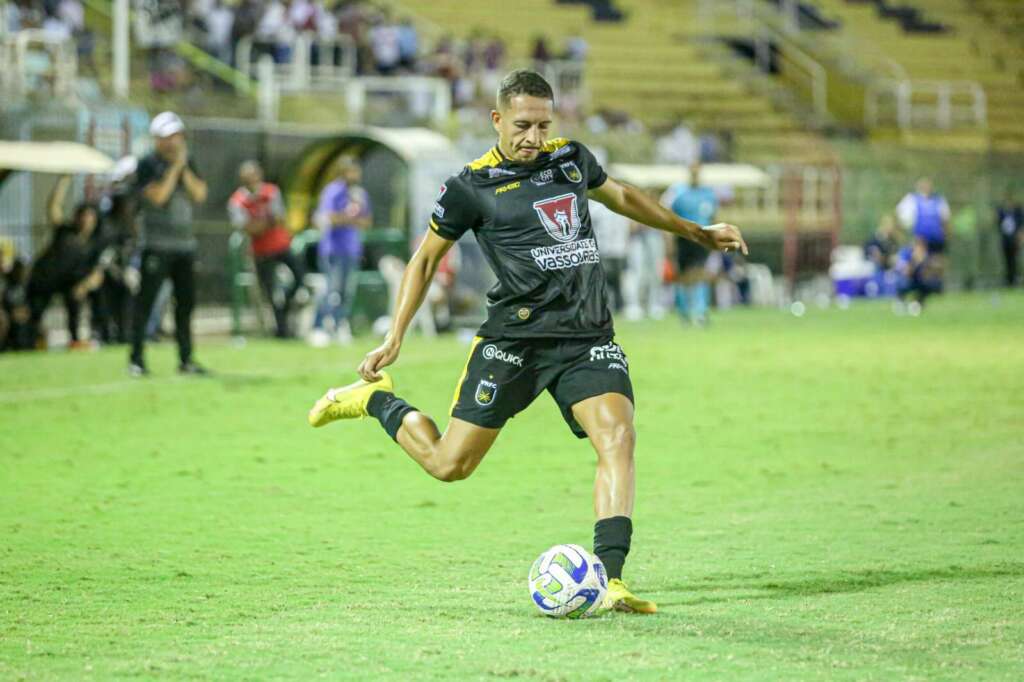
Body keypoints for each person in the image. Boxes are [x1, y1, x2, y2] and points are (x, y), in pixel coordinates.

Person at [306, 69, 747, 614]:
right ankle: (376, 401)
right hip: (513, 341)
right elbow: (424, 260)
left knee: (618, 437)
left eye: (543, 124)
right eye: (522, 125)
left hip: (585, 337)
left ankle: (608, 579)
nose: (534, 137)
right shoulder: (469, 187)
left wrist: (696, 232)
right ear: (496, 120)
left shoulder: (570, 159)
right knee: (449, 465)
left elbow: (626, 197)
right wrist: (394, 336)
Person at [129, 111, 208, 376]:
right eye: (168, 137)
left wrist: (183, 167)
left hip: (184, 246)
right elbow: (159, 197)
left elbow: (199, 194)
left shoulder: (189, 162)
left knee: (185, 304)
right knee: (146, 303)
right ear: (157, 139)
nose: (174, 142)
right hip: (157, 245)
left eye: (176, 136)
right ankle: (136, 359)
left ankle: (186, 359)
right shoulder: (147, 164)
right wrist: (175, 168)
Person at [228, 160, 305, 338]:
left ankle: (286, 307)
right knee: (270, 293)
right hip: (261, 251)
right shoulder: (238, 200)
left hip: (281, 245)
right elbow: (246, 227)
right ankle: (282, 331)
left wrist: (260, 224)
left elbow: (278, 218)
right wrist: (264, 223)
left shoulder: (271, 191)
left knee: (299, 277)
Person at [26, 176, 104, 349]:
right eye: (83, 216)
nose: (86, 221)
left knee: (75, 297)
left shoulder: (93, 244)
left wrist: (84, 286)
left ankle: (75, 340)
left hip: (67, 282)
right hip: (44, 279)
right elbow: (53, 208)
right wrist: (64, 181)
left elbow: (97, 273)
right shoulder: (66, 231)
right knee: (34, 315)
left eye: (90, 217)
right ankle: (27, 343)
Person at [309, 155, 371, 347]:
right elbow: (327, 218)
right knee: (330, 289)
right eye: (352, 170)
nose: (355, 175)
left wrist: (346, 219)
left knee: (346, 293)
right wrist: (349, 219)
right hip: (332, 249)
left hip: (352, 249)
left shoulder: (359, 194)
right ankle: (318, 328)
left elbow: (367, 221)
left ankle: (339, 326)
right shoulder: (333, 191)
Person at [663, 162, 717, 326]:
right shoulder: (678, 193)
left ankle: (701, 312)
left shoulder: (708, 194)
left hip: (702, 238)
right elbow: (668, 217)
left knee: (701, 273)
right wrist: (669, 240)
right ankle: (684, 312)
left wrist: (714, 238)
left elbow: (713, 217)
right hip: (684, 238)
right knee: (683, 277)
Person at [996, 191, 1022, 287]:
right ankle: (1008, 280)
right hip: (1005, 239)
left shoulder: (1017, 210)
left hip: (1014, 239)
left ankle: (1015, 278)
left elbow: (1020, 224)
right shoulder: (1002, 211)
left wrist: (1020, 236)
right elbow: (998, 223)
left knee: (1014, 260)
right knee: (1006, 260)